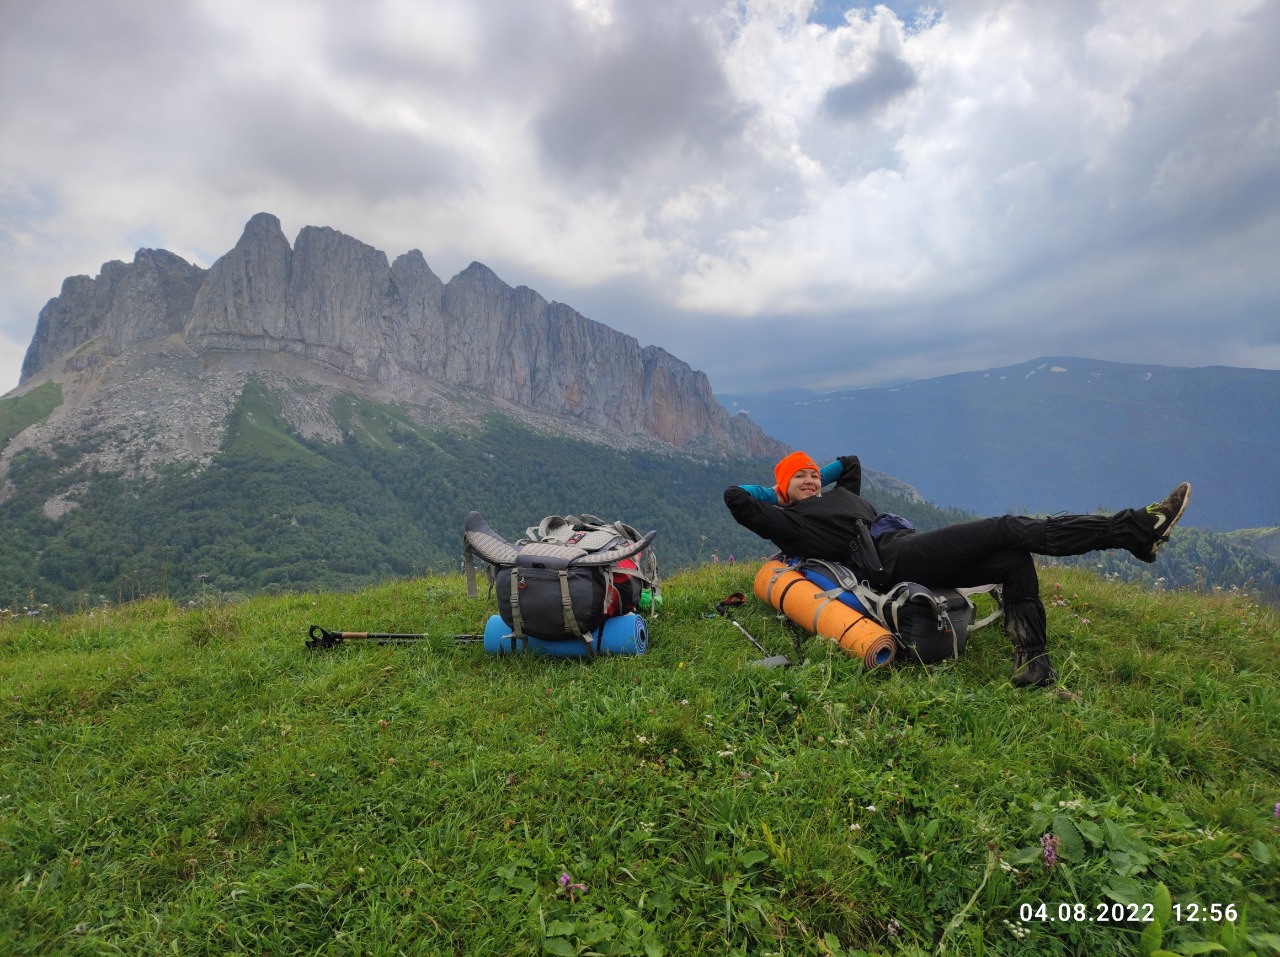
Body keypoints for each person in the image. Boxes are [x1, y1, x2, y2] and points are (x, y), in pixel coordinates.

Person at [724, 451, 1191, 688]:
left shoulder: (837, 493)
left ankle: (1033, 664)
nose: (810, 479)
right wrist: (780, 494)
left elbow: (849, 463)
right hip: (892, 563)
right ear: (782, 491)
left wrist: (810, 476)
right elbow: (736, 497)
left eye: (811, 474)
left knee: (1012, 558)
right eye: (798, 476)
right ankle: (1134, 529)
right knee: (1005, 526)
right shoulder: (791, 523)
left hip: (910, 548)